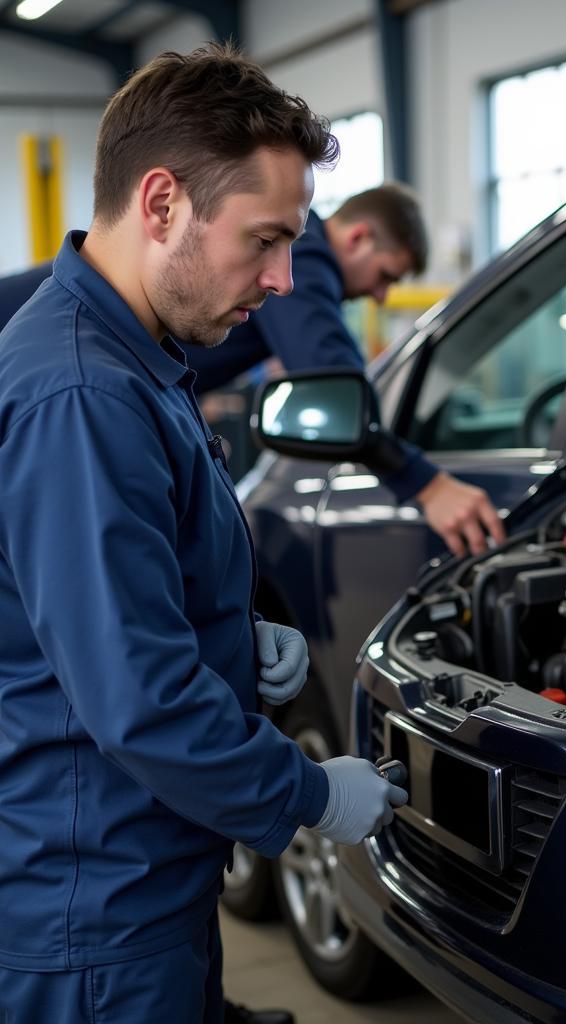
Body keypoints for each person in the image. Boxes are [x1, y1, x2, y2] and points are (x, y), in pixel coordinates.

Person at [0, 44, 408, 1024]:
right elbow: (138, 698)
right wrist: (308, 795)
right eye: (263, 241)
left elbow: (124, 603)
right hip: (94, 912)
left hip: (129, 879)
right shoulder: (83, 392)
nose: (280, 280)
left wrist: (230, 641)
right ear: (162, 205)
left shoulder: (140, 357)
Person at [0, 184, 506, 558]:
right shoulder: (306, 259)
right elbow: (337, 389)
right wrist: (426, 483)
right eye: (385, 277)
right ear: (358, 237)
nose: (380, 296)